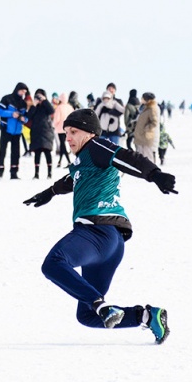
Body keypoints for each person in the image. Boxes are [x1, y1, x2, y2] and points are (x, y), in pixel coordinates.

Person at [23, 108, 176, 345]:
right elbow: (71, 180)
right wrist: (49, 192)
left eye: (73, 132)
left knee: (53, 264)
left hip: (97, 233)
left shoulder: (97, 147)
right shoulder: (83, 161)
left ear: (89, 133)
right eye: (66, 133)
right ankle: (146, 316)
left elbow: (126, 158)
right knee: (86, 315)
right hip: (111, 245)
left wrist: (155, 175)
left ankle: (100, 305)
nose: (68, 138)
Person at [0, 82, 29, 179]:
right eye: (22, 91)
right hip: (6, 130)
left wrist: (24, 119)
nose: (23, 93)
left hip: (17, 131)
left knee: (16, 153)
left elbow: (26, 117)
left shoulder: (23, 103)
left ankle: (14, 173)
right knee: (2, 152)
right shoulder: (6, 99)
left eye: (25, 92)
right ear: (17, 89)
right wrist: (11, 114)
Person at [27, 89, 55, 179]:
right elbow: (28, 116)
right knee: (37, 153)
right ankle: (36, 174)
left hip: (46, 132)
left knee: (48, 152)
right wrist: (34, 105)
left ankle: (49, 173)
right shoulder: (33, 107)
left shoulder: (46, 106)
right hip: (36, 132)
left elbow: (51, 111)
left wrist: (45, 100)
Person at [133, 92, 160, 162]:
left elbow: (154, 122)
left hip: (146, 137)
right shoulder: (144, 108)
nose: (141, 100)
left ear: (147, 99)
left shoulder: (152, 108)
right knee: (141, 158)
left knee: (148, 158)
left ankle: (152, 172)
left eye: (142, 98)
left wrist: (146, 129)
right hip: (141, 137)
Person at [52, 92, 74, 167]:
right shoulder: (70, 107)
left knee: (62, 144)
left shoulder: (59, 107)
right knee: (63, 144)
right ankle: (60, 161)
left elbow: (56, 119)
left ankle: (68, 161)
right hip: (69, 128)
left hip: (60, 128)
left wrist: (54, 125)